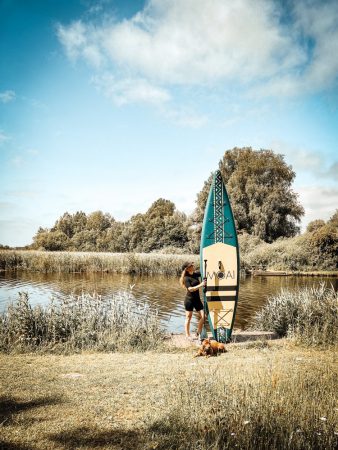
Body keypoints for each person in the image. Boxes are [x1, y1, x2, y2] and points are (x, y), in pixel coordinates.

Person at [179, 262, 206, 340]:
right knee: (188, 318)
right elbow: (190, 289)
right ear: (187, 269)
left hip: (197, 300)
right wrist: (201, 284)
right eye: (191, 265)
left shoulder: (195, 274)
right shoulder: (186, 278)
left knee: (204, 316)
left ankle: (198, 333)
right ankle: (188, 335)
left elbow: (204, 272)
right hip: (189, 300)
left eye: (192, 265)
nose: (193, 266)